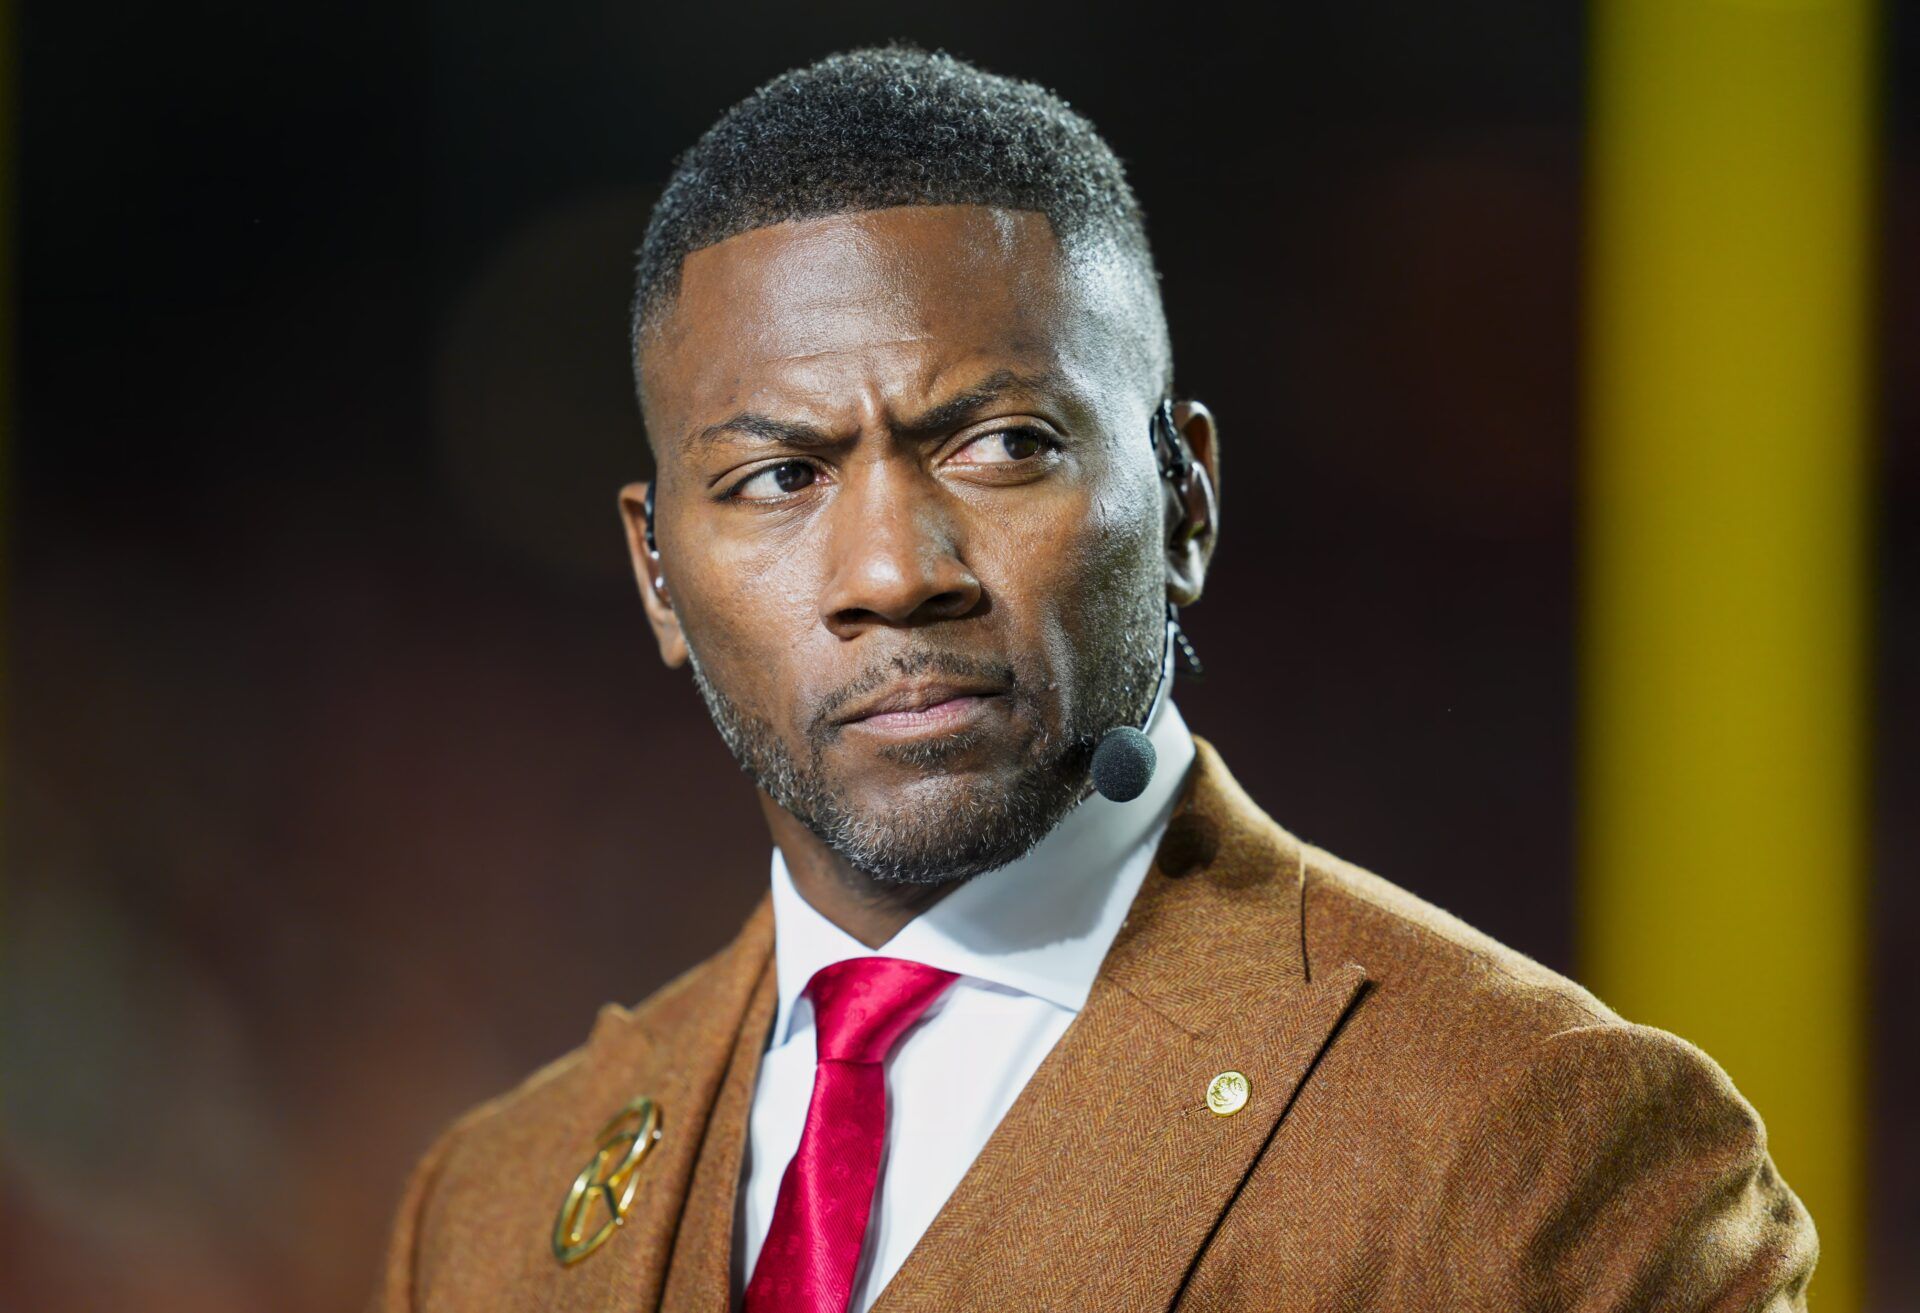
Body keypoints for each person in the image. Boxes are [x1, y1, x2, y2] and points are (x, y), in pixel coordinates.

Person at [372, 46, 1816, 1312]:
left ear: (1184, 499)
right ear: (657, 574)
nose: (891, 567)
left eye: (1001, 443)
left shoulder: (1541, 1148)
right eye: (776, 475)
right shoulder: (493, 1205)